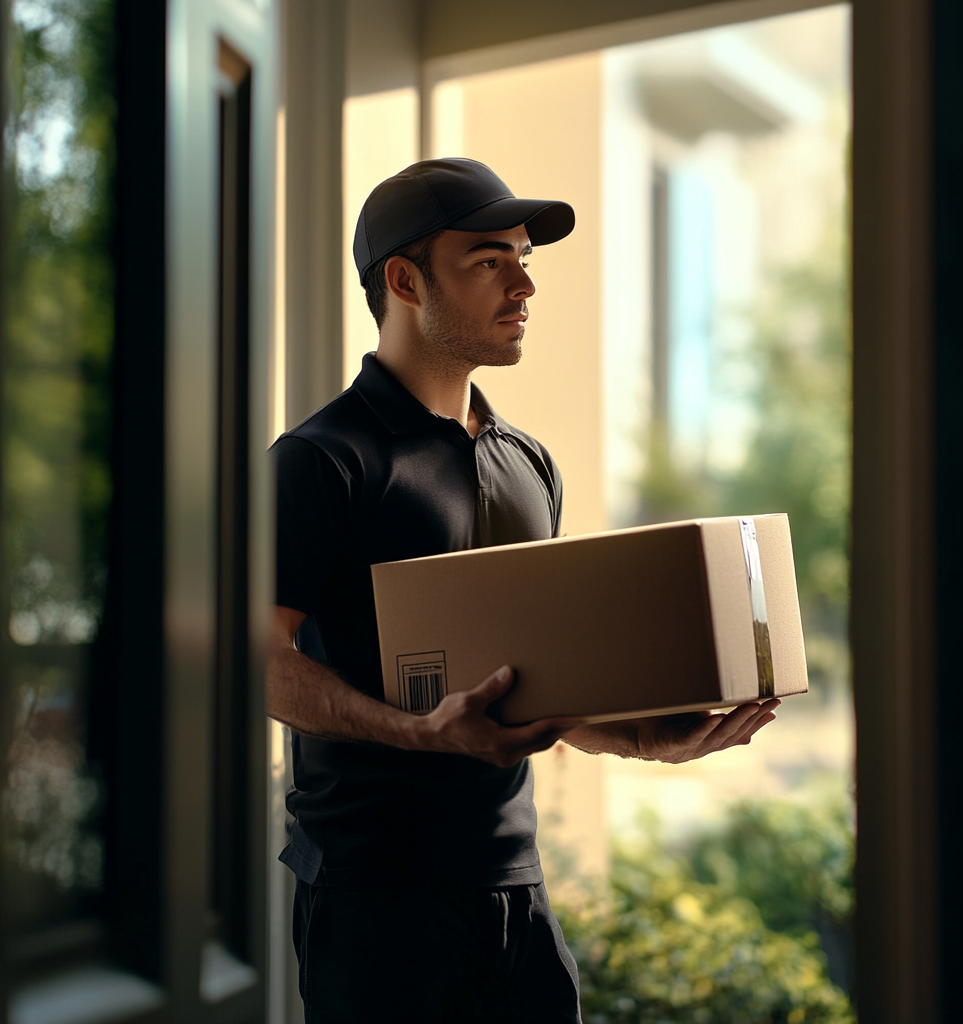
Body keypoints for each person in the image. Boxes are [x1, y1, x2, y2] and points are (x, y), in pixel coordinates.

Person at [267, 158, 780, 1024]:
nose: (526, 283)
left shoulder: (528, 461)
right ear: (403, 279)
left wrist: (643, 740)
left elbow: (535, 682)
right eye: (489, 261)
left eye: (523, 256)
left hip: (516, 888)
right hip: (376, 901)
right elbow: (259, 659)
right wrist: (419, 734)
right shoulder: (324, 460)